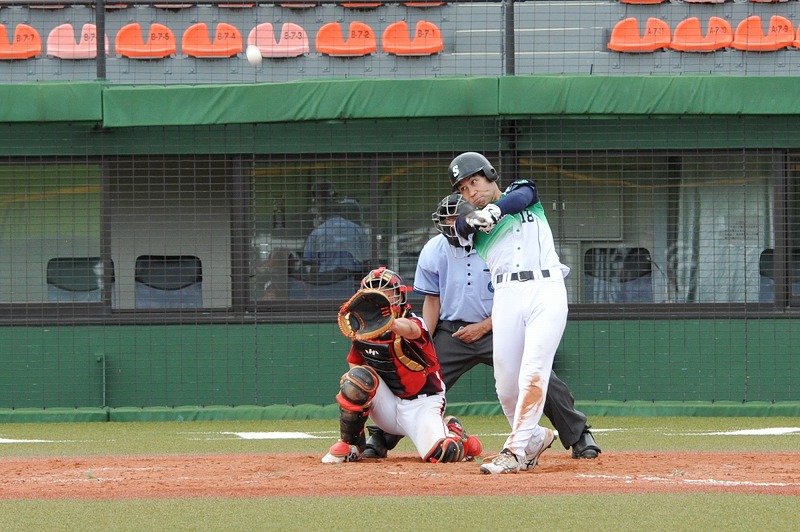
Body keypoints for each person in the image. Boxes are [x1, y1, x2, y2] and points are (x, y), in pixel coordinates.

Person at [362, 193, 601, 462]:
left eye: (456, 218)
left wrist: (484, 327)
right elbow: (432, 301)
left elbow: (513, 293)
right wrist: (423, 341)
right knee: (417, 377)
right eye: (445, 220)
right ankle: (380, 437)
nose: (451, 225)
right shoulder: (433, 249)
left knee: (539, 375)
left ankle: (580, 436)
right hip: (452, 331)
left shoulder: (494, 242)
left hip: (498, 326)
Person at [448, 151, 570, 474]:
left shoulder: (522, 194)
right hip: (506, 296)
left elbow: (523, 195)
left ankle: (514, 452)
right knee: (506, 387)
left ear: (489, 175)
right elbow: (459, 226)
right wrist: (471, 219)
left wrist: (495, 210)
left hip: (545, 288)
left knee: (533, 371)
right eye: (463, 189)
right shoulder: (472, 227)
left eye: (474, 181)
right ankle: (535, 439)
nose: (471, 191)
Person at [321, 266, 483, 464]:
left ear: (400, 296)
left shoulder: (415, 322)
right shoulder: (364, 331)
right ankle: (352, 445)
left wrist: (390, 323)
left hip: (422, 404)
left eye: (387, 291)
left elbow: (412, 330)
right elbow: (354, 362)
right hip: (388, 405)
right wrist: (353, 387)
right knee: (357, 378)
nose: (381, 295)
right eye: (375, 290)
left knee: (444, 453)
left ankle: (455, 432)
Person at [301, 184, 370, 298]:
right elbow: (366, 263)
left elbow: (313, 266)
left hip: (325, 284)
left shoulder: (317, 232)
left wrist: (311, 293)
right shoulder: (358, 230)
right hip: (351, 282)